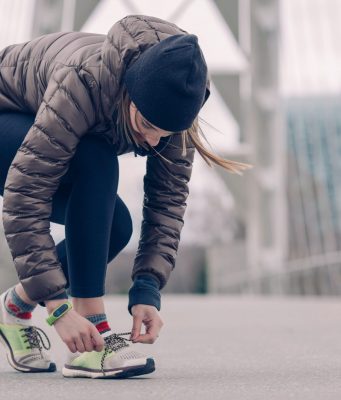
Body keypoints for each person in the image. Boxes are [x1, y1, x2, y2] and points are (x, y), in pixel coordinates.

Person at [0, 14, 250, 379]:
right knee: (97, 157)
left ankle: (16, 306)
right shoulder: (83, 83)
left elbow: (167, 204)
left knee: (114, 227)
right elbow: (25, 195)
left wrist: (147, 289)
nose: (153, 141)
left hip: (41, 138)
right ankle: (93, 331)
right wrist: (57, 307)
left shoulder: (177, 106)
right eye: (147, 125)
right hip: (8, 116)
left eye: (165, 133)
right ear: (129, 94)